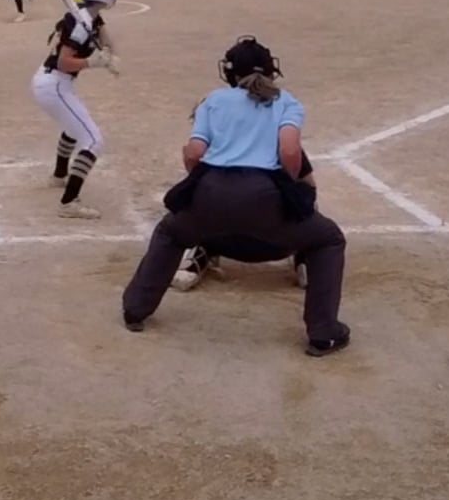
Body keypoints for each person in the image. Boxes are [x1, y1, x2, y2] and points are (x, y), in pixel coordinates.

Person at [120, 36, 350, 356]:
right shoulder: (285, 101)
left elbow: (194, 153)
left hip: (210, 191)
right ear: (271, 71)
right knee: (328, 238)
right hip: (263, 198)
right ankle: (323, 332)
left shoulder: (213, 100)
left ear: (229, 72)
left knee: (171, 232)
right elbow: (290, 151)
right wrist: (291, 192)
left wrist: (202, 189)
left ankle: (135, 310)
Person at [29, 0, 119, 220]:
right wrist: (93, 62)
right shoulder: (81, 24)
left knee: (73, 127)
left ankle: (59, 176)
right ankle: (69, 203)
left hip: (53, 83)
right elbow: (63, 62)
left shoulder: (89, 17)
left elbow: (106, 40)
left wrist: (110, 56)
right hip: (54, 84)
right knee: (93, 140)